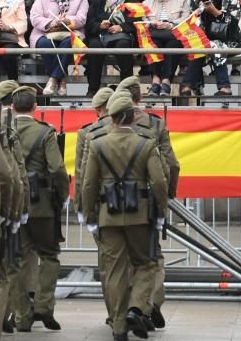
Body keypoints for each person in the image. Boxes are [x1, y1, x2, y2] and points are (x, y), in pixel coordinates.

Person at [81, 91, 168, 341]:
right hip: (140, 214)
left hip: (108, 215)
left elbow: (88, 184)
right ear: (131, 116)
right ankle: (137, 308)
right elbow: (159, 182)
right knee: (146, 263)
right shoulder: (146, 143)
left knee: (115, 270)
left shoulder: (97, 143)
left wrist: (89, 215)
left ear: (112, 118)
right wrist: (160, 210)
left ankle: (119, 326)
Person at [9, 85, 69, 332]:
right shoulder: (45, 133)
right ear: (35, 107)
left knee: (20, 259)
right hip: (42, 202)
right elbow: (56, 169)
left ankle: (22, 316)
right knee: (50, 255)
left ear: (12, 107)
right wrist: (62, 196)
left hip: (14, 203)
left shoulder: (4, 131)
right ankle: (44, 306)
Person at [181, 0, 241, 96]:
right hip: (205, 41)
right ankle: (217, 87)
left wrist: (216, 12)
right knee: (201, 46)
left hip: (232, 39)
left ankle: (190, 85)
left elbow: (234, 23)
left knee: (214, 44)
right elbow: (193, 22)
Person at [30, 0, 89, 95]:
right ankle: (61, 79)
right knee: (45, 44)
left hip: (71, 32)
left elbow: (81, 19)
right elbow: (34, 17)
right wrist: (51, 23)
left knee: (68, 43)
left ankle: (52, 79)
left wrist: (67, 21)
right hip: (45, 32)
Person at [84, 0, 137, 95]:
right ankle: (93, 89)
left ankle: (126, 89)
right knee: (94, 46)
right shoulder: (97, 0)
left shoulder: (131, 0)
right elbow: (89, 24)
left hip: (122, 36)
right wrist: (99, 26)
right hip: (101, 35)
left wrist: (121, 27)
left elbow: (137, 23)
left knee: (123, 45)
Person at [142, 0, 187, 95]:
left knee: (172, 45)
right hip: (155, 35)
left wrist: (170, 25)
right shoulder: (146, 2)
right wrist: (152, 23)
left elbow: (186, 19)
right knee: (153, 44)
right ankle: (156, 80)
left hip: (174, 35)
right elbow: (144, 21)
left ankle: (166, 81)